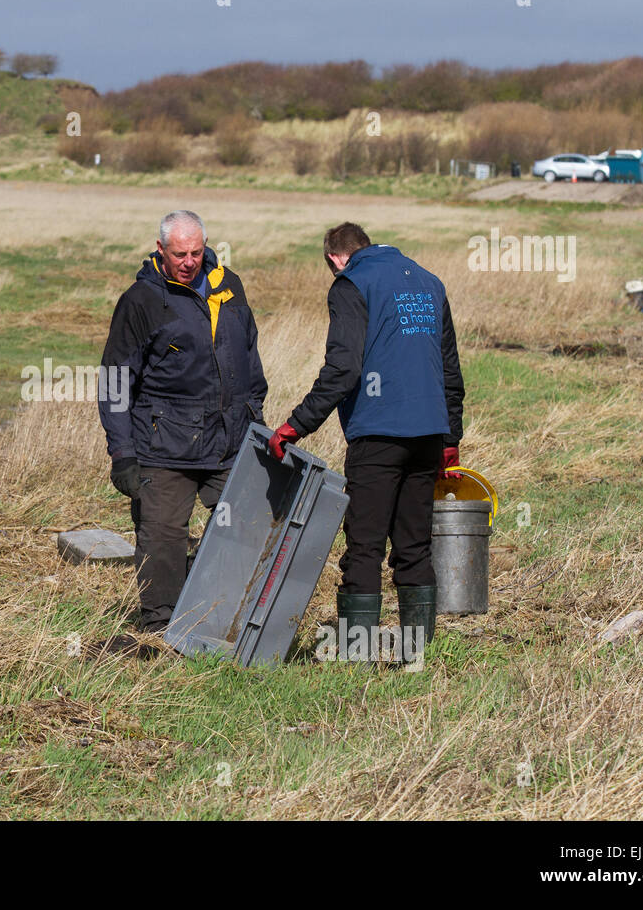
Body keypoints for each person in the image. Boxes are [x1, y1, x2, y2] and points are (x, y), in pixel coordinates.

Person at [267, 222, 464, 662]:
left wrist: (295, 425)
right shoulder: (429, 282)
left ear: (336, 258)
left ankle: (357, 656)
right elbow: (450, 370)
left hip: (378, 434)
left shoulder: (350, 284)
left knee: (365, 546)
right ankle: (417, 656)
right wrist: (451, 437)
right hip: (429, 434)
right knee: (413, 545)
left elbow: (343, 370)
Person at [98, 210, 268, 651]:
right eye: (179, 254)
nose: (189, 262)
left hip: (229, 441)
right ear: (161, 251)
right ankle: (162, 632)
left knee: (246, 525)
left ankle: (223, 616)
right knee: (162, 536)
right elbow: (116, 380)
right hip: (163, 445)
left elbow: (249, 359)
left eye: (196, 252)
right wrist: (123, 453)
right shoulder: (141, 301)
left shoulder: (229, 286)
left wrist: (257, 419)